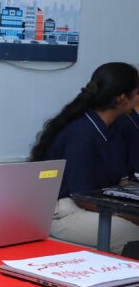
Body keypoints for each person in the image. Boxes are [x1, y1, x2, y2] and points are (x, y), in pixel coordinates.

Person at [30, 62, 139, 253]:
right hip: (64, 211)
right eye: (136, 93)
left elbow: (120, 182)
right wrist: (129, 215)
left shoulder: (113, 126)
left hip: (92, 204)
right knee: (133, 235)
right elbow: (82, 196)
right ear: (122, 98)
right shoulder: (82, 134)